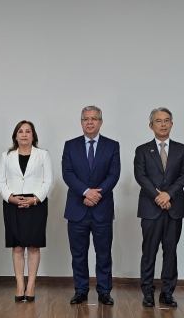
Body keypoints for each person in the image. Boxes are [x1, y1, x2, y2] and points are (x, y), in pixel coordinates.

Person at [62, 105, 120, 305]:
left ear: (101, 122)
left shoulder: (112, 146)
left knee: (104, 254)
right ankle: (81, 290)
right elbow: (68, 174)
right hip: (77, 209)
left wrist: (96, 194)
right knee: (78, 254)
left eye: (94, 118)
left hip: (102, 209)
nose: (90, 122)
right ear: (81, 122)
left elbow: (114, 175)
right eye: (86, 118)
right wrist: (86, 192)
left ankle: (104, 291)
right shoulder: (70, 145)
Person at [133, 107, 184, 308]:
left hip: (174, 207)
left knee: (170, 251)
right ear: (151, 125)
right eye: (159, 121)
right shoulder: (142, 150)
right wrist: (158, 196)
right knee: (149, 252)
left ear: (172, 124)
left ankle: (167, 292)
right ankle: (147, 292)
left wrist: (169, 194)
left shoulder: (182, 149)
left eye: (167, 120)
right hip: (150, 208)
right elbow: (141, 176)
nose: (163, 124)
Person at [0, 120, 54, 302]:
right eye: (20, 131)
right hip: (13, 201)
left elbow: (49, 181)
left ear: (33, 135)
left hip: (36, 202)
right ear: (15, 135)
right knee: (18, 246)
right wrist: (10, 197)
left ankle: (31, 286)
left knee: (34, 245)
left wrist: (35, 199)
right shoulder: (6, 155)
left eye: (28, 131)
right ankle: (20, 285)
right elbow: (0, 182)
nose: (24, 134)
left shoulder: (43, 155)